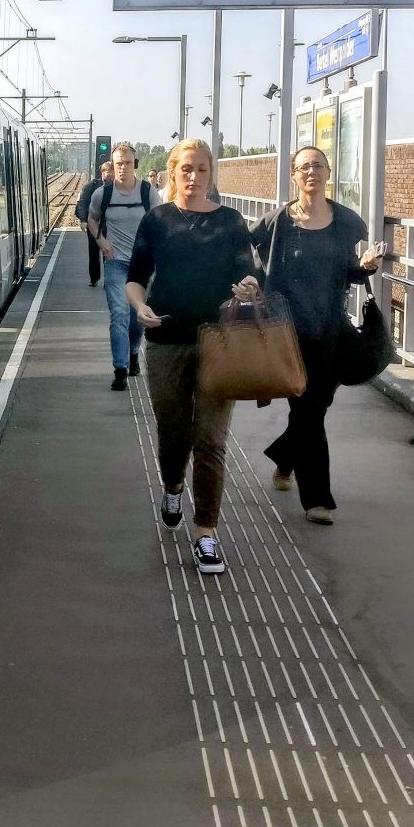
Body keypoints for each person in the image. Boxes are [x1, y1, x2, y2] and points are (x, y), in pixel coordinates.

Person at [125, 139, 260, 575]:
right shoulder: (157, 220)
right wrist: (140, 306)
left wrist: (248, 287)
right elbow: (135, 278)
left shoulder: (231, 222)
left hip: (220, 342)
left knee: (212, 441)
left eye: (202, 169)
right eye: (186, 168)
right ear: (171, 172)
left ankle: (206, 532)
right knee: (173, 433)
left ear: (211, 174)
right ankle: (172, 484)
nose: (194, 177)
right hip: (166, 340)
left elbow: (250, 272)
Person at [251, 147, 382, 524]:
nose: (312, 172)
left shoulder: (345, 222)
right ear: (294, 175)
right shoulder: (277, 221)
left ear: (328, 173)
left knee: (316, 406)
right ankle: (318, 499)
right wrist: (249, 281)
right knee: (307, 411)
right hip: (287, 331)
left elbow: (350, 272)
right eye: (305, 167)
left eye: (318, 166)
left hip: (330, 329)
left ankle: (283, 457)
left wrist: (365, 267)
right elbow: (249, 252)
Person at [87, 142, 153, 391]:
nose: (122, 167)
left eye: (127, 163)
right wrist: (101, 240)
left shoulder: (148, 193)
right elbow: (92, 219)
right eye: (118, 163)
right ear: (113, 166)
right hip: (115, 262)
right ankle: (120, 369)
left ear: (134, 164)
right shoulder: (102, 194)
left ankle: (134, 351)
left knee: (138, 317)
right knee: (119, 315)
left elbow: (158, 222)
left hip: (143, 266)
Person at [74, 162, 108, 286]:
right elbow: (83, 203)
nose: (109, 173)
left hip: (110, 226)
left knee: (108, 253)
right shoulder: (91, 187)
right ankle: (94, 278)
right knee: (94, 253)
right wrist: (83, 220)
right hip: (94, 224)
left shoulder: (118, 186)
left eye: (111, 171)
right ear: (102, 173)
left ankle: (108, 280)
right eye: (106, 171)